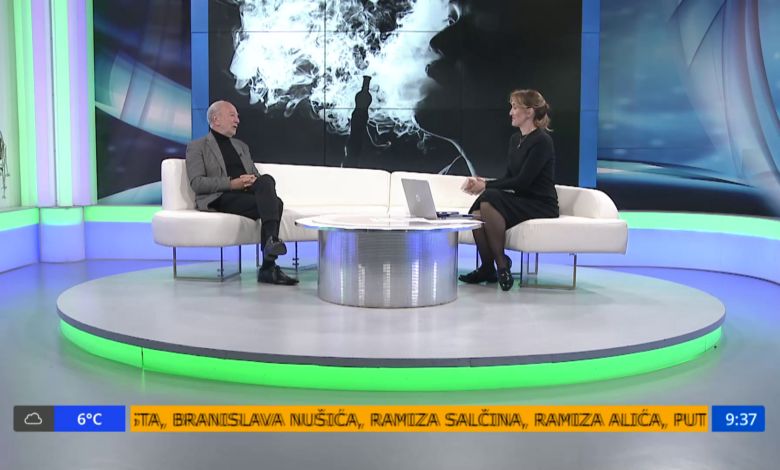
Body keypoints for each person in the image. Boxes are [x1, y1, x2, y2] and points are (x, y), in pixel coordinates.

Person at [185, 100, 298, 286]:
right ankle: (268, 267)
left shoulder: (241, 146)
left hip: (245, 193)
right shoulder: (197, 147)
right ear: (216, 119)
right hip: (221, 197)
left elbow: (255, 175)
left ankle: (272, 242)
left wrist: (251, 181)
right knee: (275, 204)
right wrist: (232, 184)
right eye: (232, 115)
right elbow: (197, 183)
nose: (237, 120)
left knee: (266, 180)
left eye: (237, 117)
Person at [459, 89, 559, 291]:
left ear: (529, 112)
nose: (510, 112)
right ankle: (488, 267)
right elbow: (509, 178)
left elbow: (523, 181)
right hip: (521, 200)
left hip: (540, 203)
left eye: (515, 107)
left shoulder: (542, 141)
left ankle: (501, 265)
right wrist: (483, 182)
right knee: (479, 212)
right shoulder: (516, 139)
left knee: (488, 197)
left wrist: (486, 186)